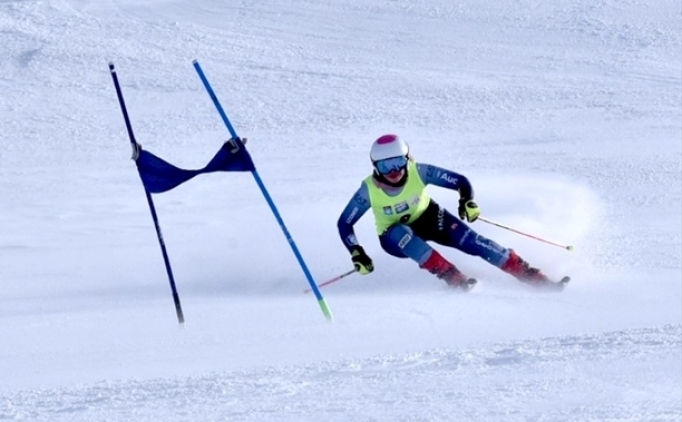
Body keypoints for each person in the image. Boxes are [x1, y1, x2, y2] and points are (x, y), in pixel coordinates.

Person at [337, 134, 562, 290]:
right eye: (386, 166)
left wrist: (467, 201)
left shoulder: (419, 171)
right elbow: (345, 223)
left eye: (397, 162)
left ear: (407, 159)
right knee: (400, 232)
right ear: (375, 166)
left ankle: (529, 274)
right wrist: (357, 252)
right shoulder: (368, 191)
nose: (394, 171)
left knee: (473, 242)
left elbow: (459, 181)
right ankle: (452, 277)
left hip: (429, 217)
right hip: (393, 237)